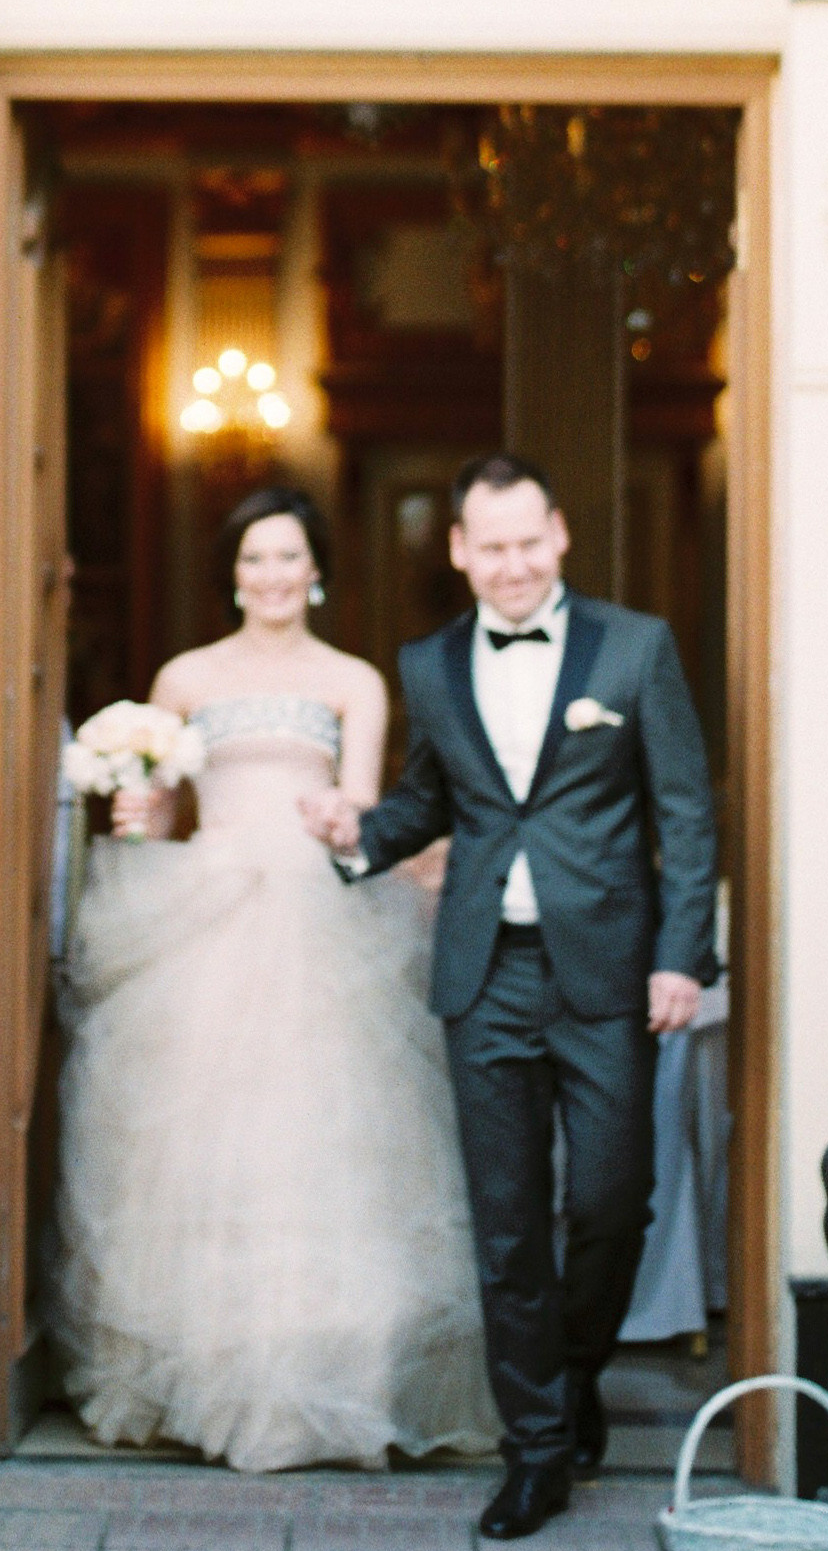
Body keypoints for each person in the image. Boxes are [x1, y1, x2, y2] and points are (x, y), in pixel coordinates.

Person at [302, 449, 718, 1540]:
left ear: (561, 533)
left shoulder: (635, 648)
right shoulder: (429, 664)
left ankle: (574, 1368)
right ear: (459, 551)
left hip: (609, 970)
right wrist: (357, 833)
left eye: (530, 540)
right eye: (492, 546)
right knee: (506, 1222)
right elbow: (426, 803)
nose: (514, 563)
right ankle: (533, 1447)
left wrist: (682, 955)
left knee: (613, 1200)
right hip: (483, 970)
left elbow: (683, 812)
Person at [49, 484, 494, 1473]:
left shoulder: (352, 680)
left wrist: (338, 822)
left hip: (313, 909)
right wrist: (134, 809)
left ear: (318, 569)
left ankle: (334, 1373)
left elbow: (369, 811)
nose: (272, 575)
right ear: (232, 573)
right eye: (254, 558)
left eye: (289, 556)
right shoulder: (183, 676)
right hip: (204, 907)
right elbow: (160, 811)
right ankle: (203, 1370)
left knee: (320, 1133)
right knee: (198, 1138)